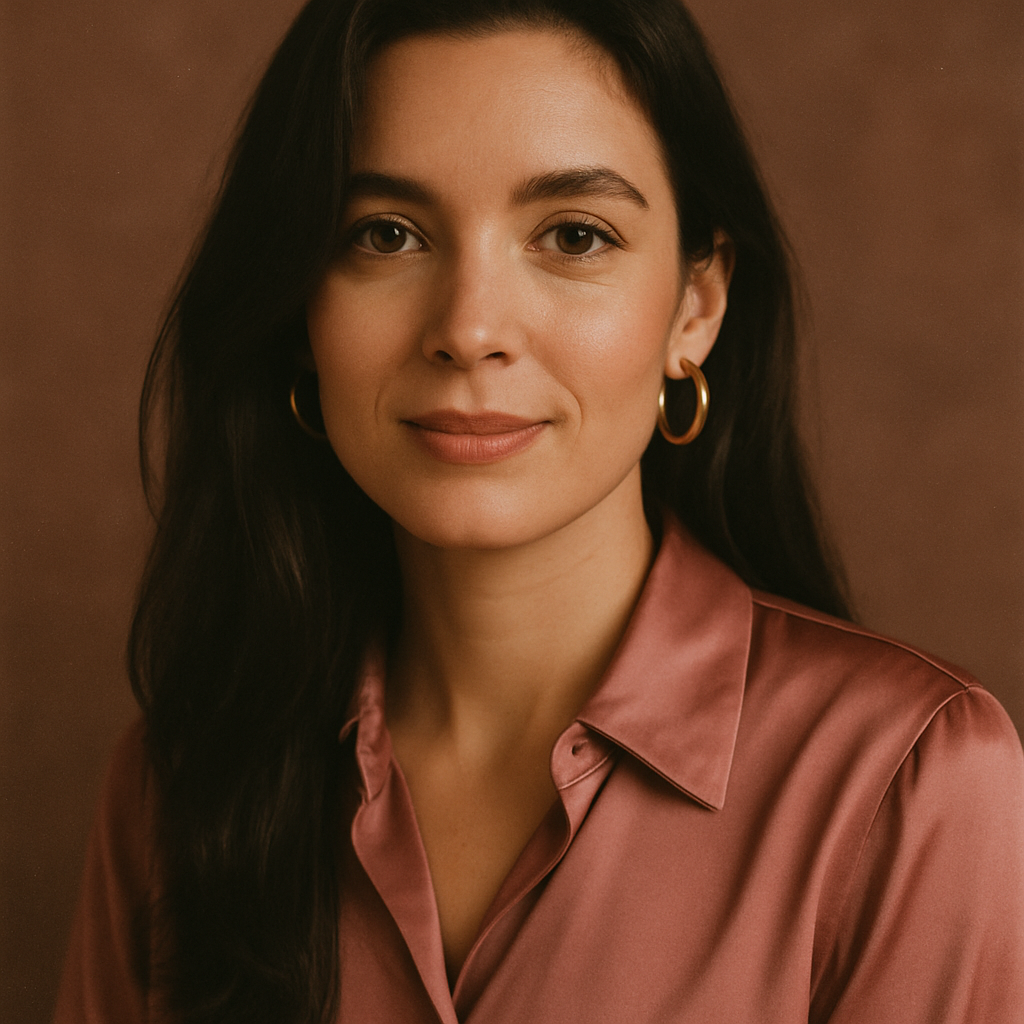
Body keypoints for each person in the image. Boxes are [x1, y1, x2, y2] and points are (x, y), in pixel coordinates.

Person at [54, 0, 1024, 1021]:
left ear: (695, 307)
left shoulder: (909, 783)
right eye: (384, 234)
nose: (470, 329)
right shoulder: (178, 783)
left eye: (572, 234)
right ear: (299, 305)